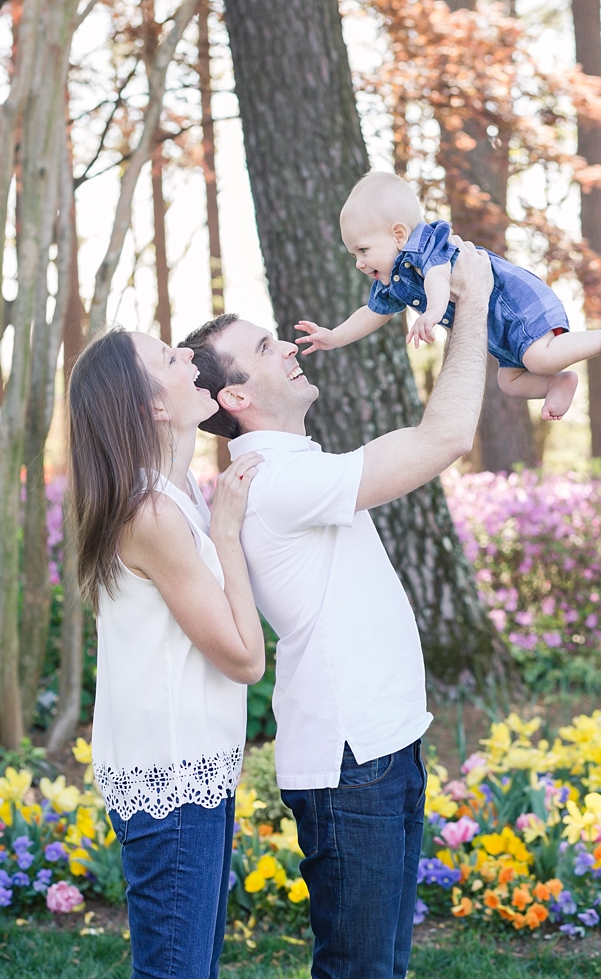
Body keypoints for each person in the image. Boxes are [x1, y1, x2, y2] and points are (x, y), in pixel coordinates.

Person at [180, 239, 491, 979]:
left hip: (383, 745)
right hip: (354, 763)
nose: (287, 345)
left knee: (380, 965)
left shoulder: (290, 469)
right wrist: (470, 303)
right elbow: (444, 437)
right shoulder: (275, 480)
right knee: (360, 971)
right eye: (264, 347)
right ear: (236, 397)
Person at [67, 327, 265, 979]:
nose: (189, 358)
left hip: (194, 768)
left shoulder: (176, 495)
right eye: (169, 357)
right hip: (173, 781)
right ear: (153, 405)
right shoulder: (152, 513)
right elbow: (243, 659)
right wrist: (230, 534)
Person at [295, 170, 601, 422]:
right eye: (354, 255)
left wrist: (432, 313)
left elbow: (439, 278)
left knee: (538, 359)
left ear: (398, 234)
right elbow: (373, 312)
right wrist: (334, 336)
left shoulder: (424, 247)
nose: (359, 262)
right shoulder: (396, 278)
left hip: (513, 304)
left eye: (363, 250)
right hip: (498, 330)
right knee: (510, 381)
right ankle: (558, 384)